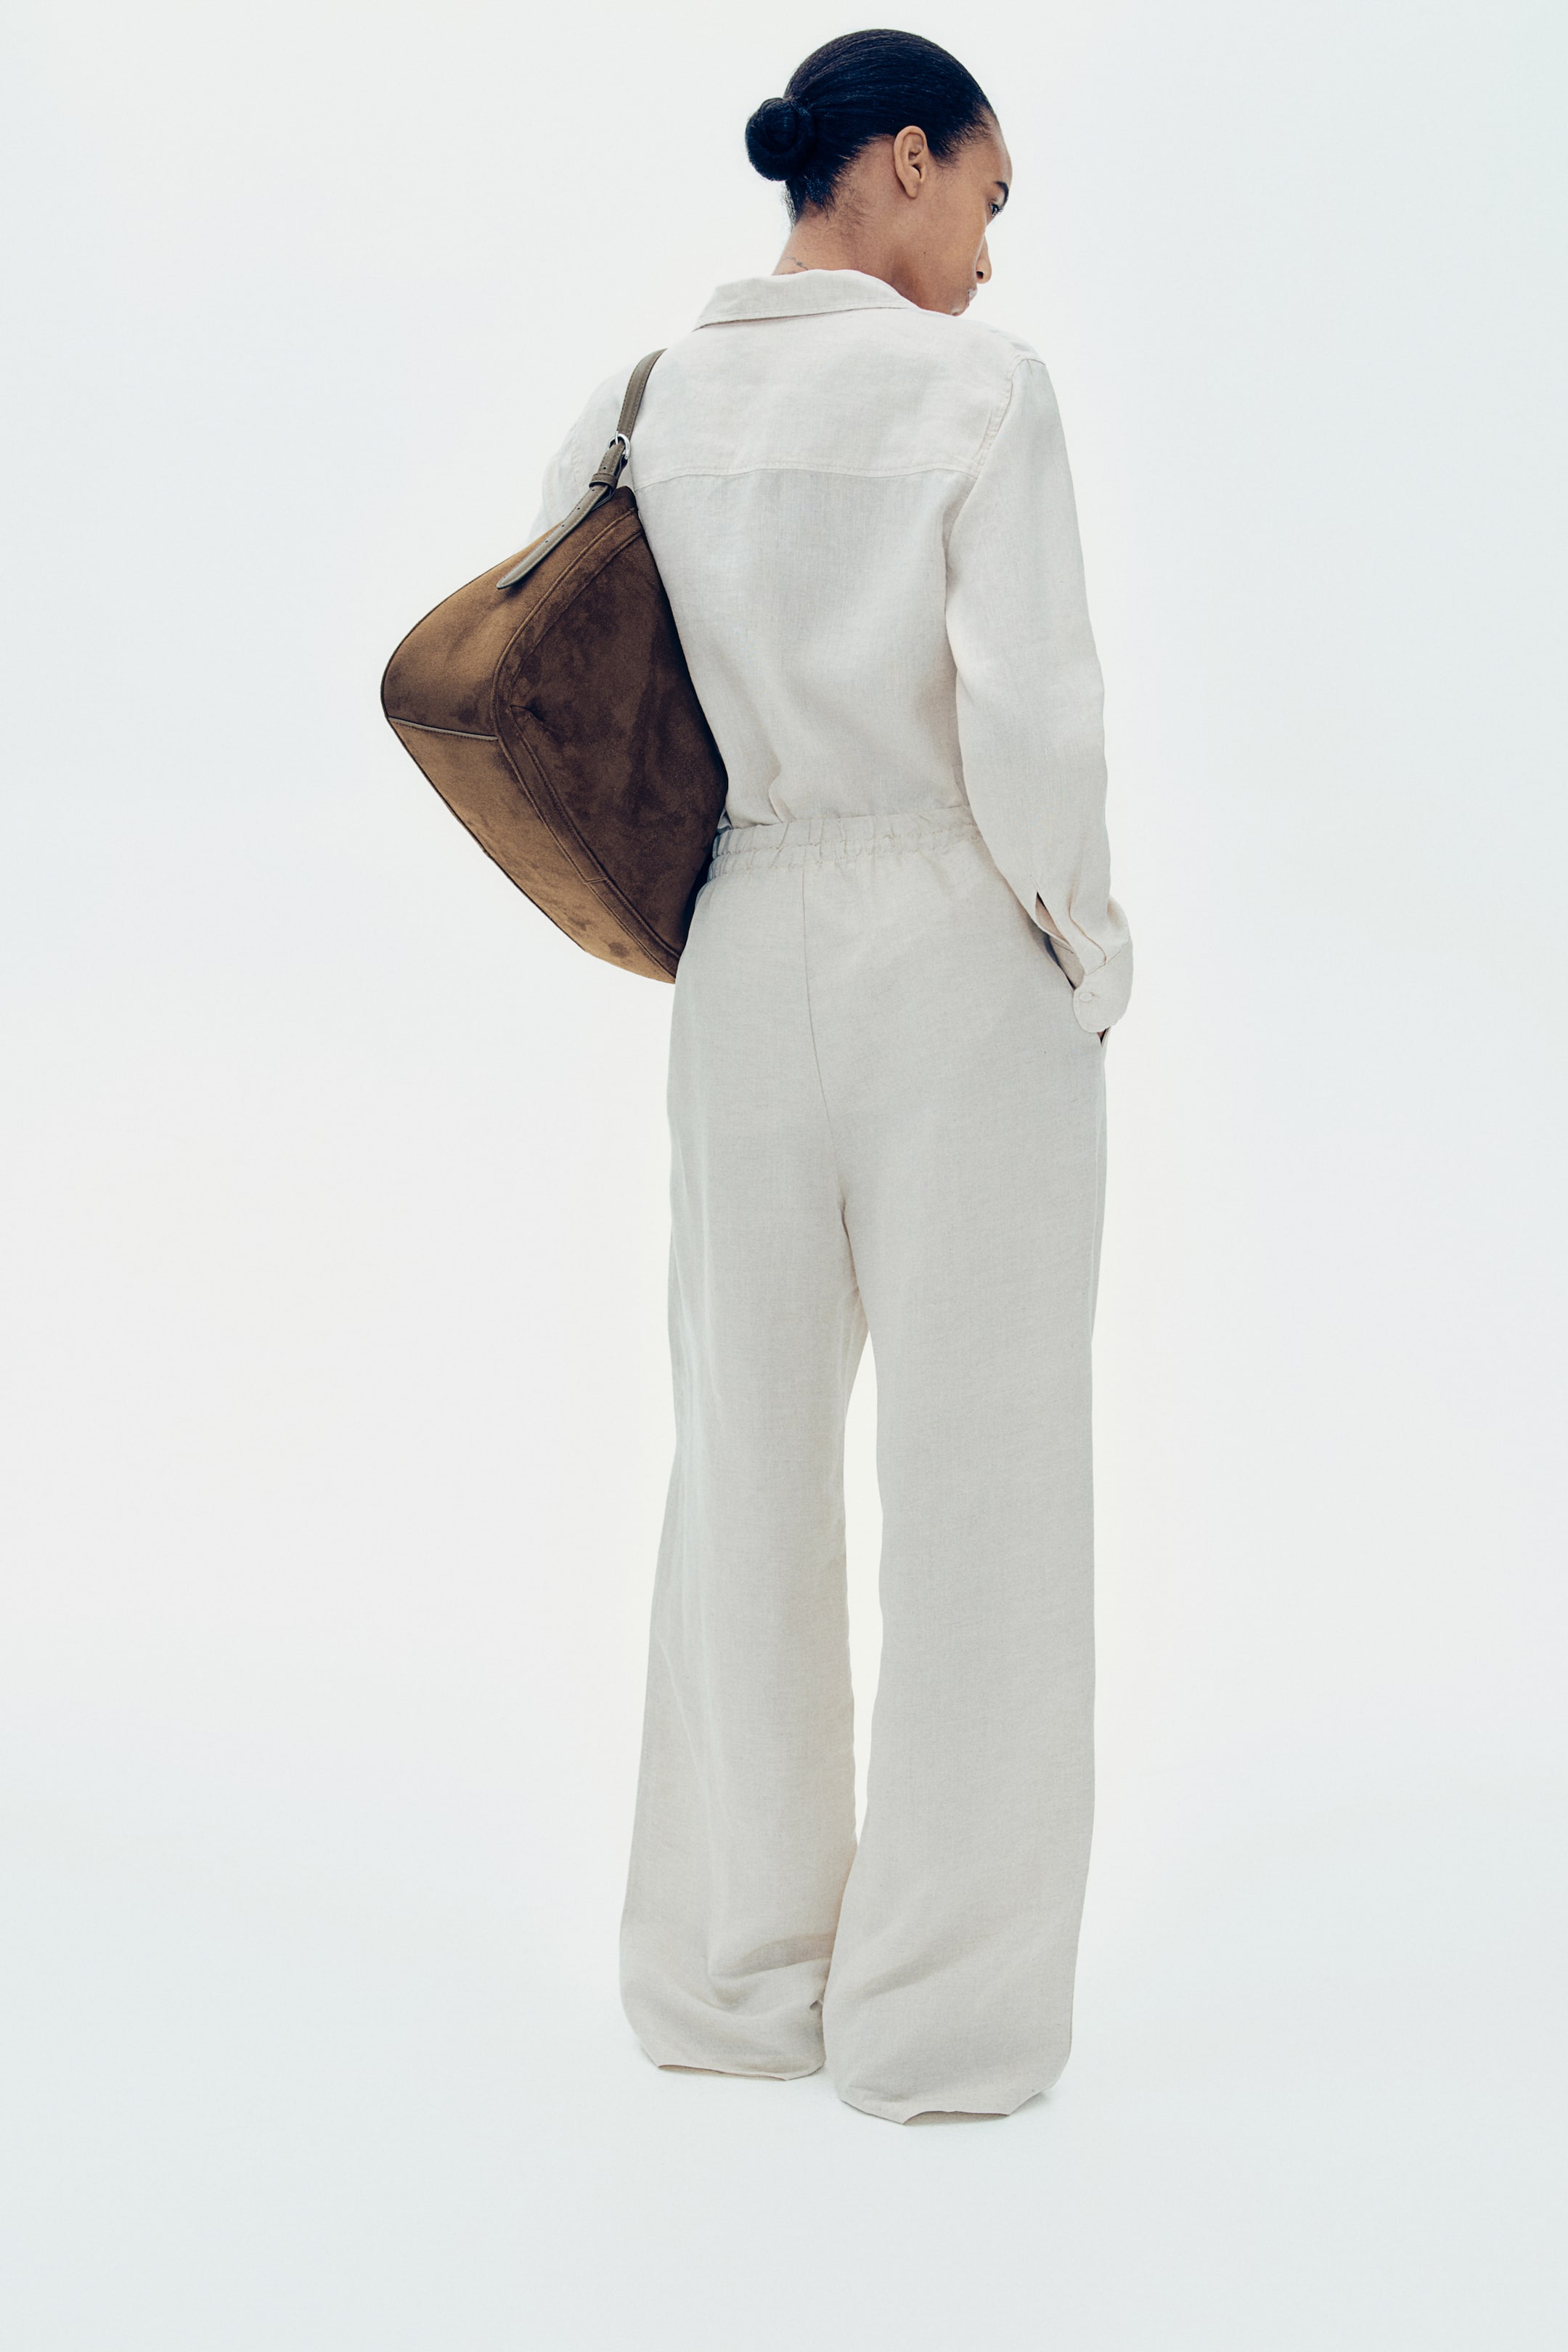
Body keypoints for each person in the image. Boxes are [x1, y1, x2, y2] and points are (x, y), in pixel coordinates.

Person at [529, 28, 1132, 2125]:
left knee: (744, 1460)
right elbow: (1035, 725)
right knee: (986, 1481)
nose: (989, 248)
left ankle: (735, 1976)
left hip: (742, 935)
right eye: (988, 193)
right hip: (956, 932)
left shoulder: (647, 400)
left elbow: (576, 675)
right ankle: (939, 2024)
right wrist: (1089, 957)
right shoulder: (978, 391)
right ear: (904, 159)